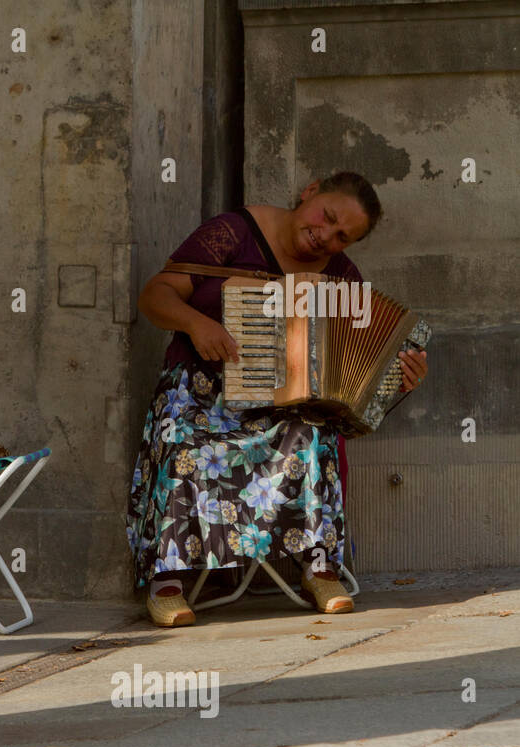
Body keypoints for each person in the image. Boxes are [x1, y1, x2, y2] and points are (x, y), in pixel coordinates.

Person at [125, 171, 429, 627]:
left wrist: (398, 381)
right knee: (183, 436)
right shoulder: (232, 231)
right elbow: (155, 294)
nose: (325, 236)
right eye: (325, 217)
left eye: (341, 236)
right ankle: (169, 578)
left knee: (312, 431)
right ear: (309, 192)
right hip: (201, 393)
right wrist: (196, 323)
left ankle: (319, 568)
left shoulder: (341, 275)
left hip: (282, 409)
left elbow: (353, 393)